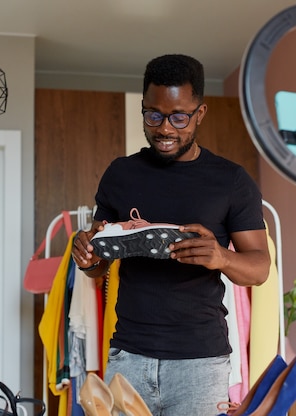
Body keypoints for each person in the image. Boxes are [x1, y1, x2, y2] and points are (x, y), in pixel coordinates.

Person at [71, 53, 271, 415]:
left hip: (200, 363)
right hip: (128, 356)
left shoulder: (231, 180)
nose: (165, 129)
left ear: (201, 113)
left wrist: (221, 257)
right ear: (144, 109)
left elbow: (259, 269)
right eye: (154, 115)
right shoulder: (120, 174)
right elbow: (99, 264)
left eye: (179, 117)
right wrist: (87, 255)